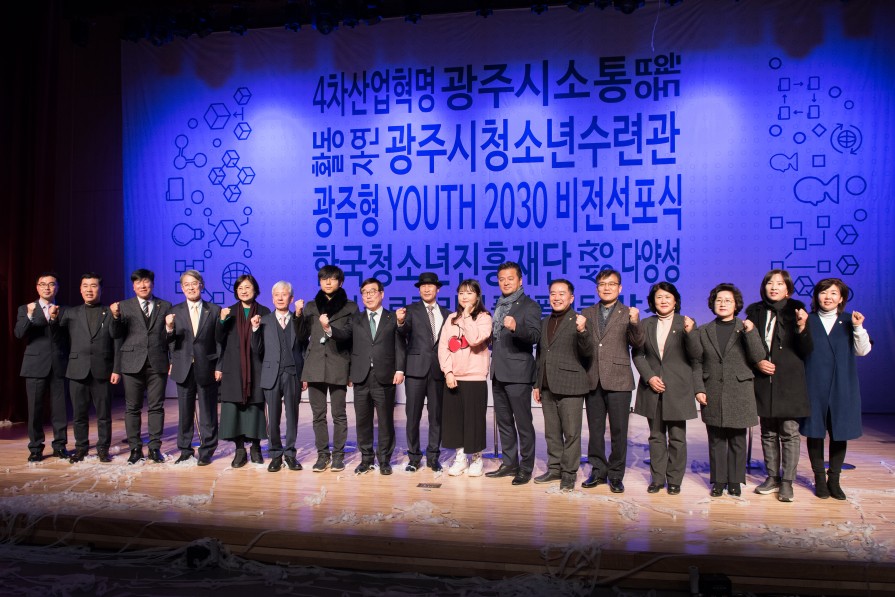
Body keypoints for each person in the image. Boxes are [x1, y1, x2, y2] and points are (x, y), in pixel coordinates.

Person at [800, 278, 872, 500]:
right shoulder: (808, 320)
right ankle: (820, 479)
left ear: (841, 298)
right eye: (823, 292)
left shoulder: (850, 320)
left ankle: (834, 479)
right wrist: (800, 328)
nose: (828, 297)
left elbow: (862, 351)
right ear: (816, 297)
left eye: (833, 293)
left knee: (840, 432)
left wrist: (858, 328)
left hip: (843, 384)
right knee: (815, 432)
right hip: (814, 384)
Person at [691, 283, 765, 497]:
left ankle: (735, 480)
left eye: (728, 300)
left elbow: (758, 356)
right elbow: (697, 362)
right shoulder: (703, 330)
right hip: (712, 388)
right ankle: (718, 480)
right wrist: (698, 388)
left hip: (739, 389)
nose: (723, 304)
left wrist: (751, 333)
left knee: (737, 439)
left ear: (736, 305)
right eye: (719, 300)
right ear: (713, 304)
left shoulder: (746, 328)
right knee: (716, 439)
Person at [745, 270, 812, 502]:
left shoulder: (798, 311)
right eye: (770, 283)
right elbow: (746, 346)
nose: (773, 287)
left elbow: (807, 350)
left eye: (779, 283)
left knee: (789, 432)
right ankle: (772, 477)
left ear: (788, 289)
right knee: (768, 431)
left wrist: (802, 328)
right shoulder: (754, 311)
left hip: (790, 381)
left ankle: (787, 482)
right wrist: (757, 362)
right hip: (763, 379)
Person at [330, 278, 406, 475]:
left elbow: (399, 345)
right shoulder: (356, 319)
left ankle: (384, 460)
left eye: (372, 292)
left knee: (386, 421)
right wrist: (328, 329)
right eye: (364, 292)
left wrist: (400, 369)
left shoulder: (392, 318)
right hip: (361, 376)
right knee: (363, 421)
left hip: (385, 376)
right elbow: (344, 338)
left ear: (382, 294)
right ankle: (366, 459)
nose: (368, 296)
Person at [581, 269, 644, 493]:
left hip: (619, 379)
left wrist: (635, 323)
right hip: (593, 378)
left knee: (618, 430)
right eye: (602, 284)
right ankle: (598, 470)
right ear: (597, 288)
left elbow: (638, 343)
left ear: (620, 288)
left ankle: (616, 474)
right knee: (595, 430)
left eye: (611, 284)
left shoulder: (628, 313)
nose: (606, 288)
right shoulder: (587, 312)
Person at [632, 282, 698, 495]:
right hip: (652, 388)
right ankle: (657, 479)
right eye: (659, 297)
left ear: (675, 300)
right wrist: (649, 377)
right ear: (653, 301)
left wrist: (690, 333)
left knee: (677, 437)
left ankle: (675, 480)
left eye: (667, 297)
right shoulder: (646, 324)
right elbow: (638, 354)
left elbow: (696, 354)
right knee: (656, 436)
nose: (663, 301)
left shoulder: (685, 322)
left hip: (678, 388)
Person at [532, 279, 592, 492]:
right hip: (547, 385)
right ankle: (555, 468)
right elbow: (540, 354)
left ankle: (569, 473)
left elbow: (588, 352)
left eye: (561, 293)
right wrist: (537, 383)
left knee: (572, 433)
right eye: (553, 294)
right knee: (552, 432)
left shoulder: (579, 320)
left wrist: (582, 331)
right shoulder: (544, 322)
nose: (556, 298)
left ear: (571, 298)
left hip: (571, 384)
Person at [297, 265, 358, 472]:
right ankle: (323, 455)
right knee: (318, 414)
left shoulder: (350, 307)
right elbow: (301, 337)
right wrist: (298, 315)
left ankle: (338, 455)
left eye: (332, 279)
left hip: (339, 363)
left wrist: (351, 371)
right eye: (324, 279)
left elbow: (352, 338)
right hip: (314, 365)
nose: (328, 282)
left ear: (341, 282)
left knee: (339, 414)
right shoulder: (311, 306)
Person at [54, 273, 120, 463]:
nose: (89, 290)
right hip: (77, 369)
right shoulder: (71, 313)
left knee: (104, 415)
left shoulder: (109, 312)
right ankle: (81, 448)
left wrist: (116, 369)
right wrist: (53, 320)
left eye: (93, 286)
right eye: (85, 286)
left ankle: (103, 449)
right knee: (79, 414)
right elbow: (58, 338)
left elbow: (117, 342)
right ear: (80, 289)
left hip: (103, 370)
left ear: (101, 289)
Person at [486, 262, 542, 486]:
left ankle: (526, 467)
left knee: (523, 424)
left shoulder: (530, 305)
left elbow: (535, 336)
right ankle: (509, 463)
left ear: (520, 281)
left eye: (510, 278)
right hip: (498, 372)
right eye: (501, 279)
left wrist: (516, 327)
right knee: (504, 422)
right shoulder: (499, 304)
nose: (506, 282)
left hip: (518, 373)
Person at [109, 268, 172, 465]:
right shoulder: (124, 306)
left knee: (156, 406)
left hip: (157, 361)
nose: (143, 286)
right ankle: (135, 448)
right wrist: (115, 317)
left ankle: (154, 448)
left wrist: (171, 359)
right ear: (133, 286)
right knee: (132, 407)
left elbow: (169, 337)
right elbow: (116, 335)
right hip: (131, 362)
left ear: (152, 284)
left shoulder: (165, 305)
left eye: (146, 282)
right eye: (138, 283)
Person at [396, 272, 451, 473]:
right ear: (419, 290)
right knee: (413, 416)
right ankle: (414, 457)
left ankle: (433, 456)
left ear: (438, 289)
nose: (426, 289)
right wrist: (400, 322)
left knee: (436, 416)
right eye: (423, 286)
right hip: (415, 370)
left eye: (430, 286)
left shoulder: (447, 314)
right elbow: (402, 333)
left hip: (438, 371)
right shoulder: (410, 310)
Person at [437, 279, 493, 477]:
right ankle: (460, 458)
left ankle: (477, 458)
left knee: (474, 421)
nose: (464, 297)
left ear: (477, 296)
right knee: (455, 420)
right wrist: (448, 372)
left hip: (475, 377)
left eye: (469, 293)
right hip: (454, 377)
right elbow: (443, 347)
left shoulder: (484, 318)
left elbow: (475, 339)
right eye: (461, 293)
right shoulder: (451, 318)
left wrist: (467, 316)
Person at [167, 270, 221, 466]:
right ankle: (185, 450)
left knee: (208, 411)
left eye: (194, 283)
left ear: (201, 285)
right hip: (183, 367)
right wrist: (169, 329)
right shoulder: (174, 311)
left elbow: (219, 342)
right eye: (186, 284)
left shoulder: (214, 310)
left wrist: (219, 366)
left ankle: (207, 450)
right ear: (182, 288)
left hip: (207, 366)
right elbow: (169, 342)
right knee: (185, 412)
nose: (190, 287)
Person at [14, 272, 70, 462]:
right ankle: (35, 448)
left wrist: (54, 320)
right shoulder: (26, 308)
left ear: (57, 287)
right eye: (43, 284)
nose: (47, 287)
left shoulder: (65, 310)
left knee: (60, 409)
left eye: (51, 284)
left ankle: (60, 446)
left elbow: (66, 337)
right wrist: (30, 315)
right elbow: (19, 333)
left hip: (59, 364)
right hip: (35, 365)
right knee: (35, 409)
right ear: (37, 287)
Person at [252, 281, 305, 472]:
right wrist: (255, 330)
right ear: (272, 298)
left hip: (292, 373)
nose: (280, 298)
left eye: (284, 294)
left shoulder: (299, 320)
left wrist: (304, 375)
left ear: (291, 298)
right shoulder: (264, 320)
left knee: (292, 416)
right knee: (273, 418)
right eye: (277, 295)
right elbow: (257, 350)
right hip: (271, 374)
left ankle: (290, 454)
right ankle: (275, 454)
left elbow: (304, 348)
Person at [216, 274, 269, 468]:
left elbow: (265, 344)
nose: (244, 291)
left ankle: (255, 447)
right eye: (240, 288)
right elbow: (219, 339)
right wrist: (221, 321)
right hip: (233, 366)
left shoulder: (264, 311)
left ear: (255, 289)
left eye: (247, 287)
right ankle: (239, 450)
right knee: (234, 409)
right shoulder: (228, 312)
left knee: (255, 408)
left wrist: (256, 329)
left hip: (256, 366)